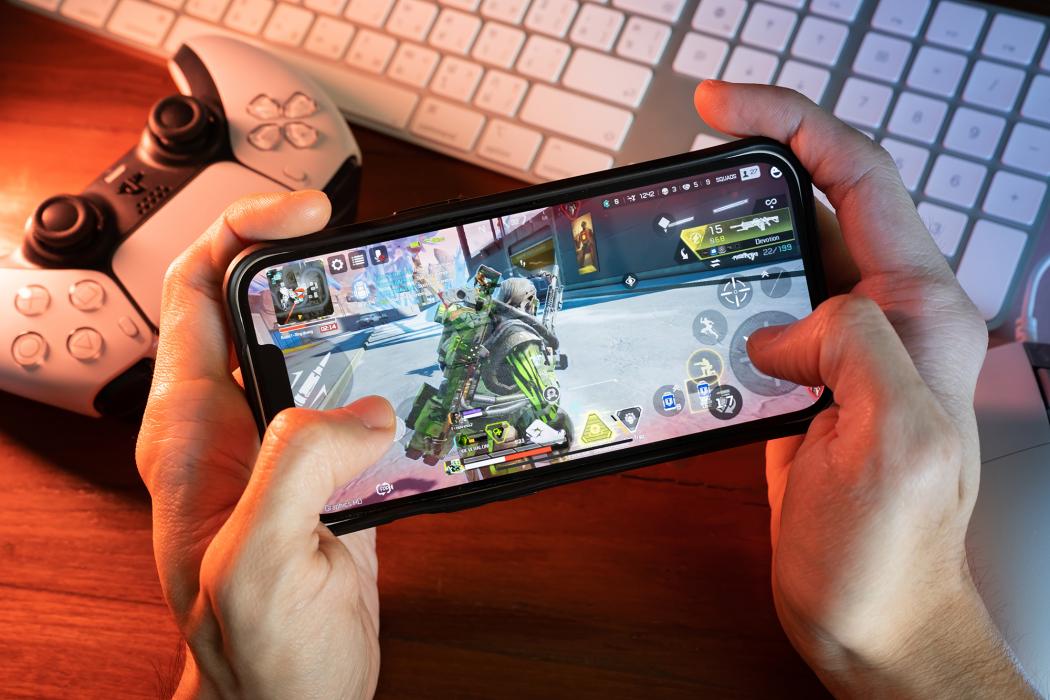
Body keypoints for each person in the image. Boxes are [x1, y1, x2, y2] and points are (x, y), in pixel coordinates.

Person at [135, 81, 1040, 698]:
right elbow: (499, 368)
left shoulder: (508, 327)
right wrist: (910, 638)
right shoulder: (489, 326)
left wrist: (905, 637)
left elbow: (521, 370)